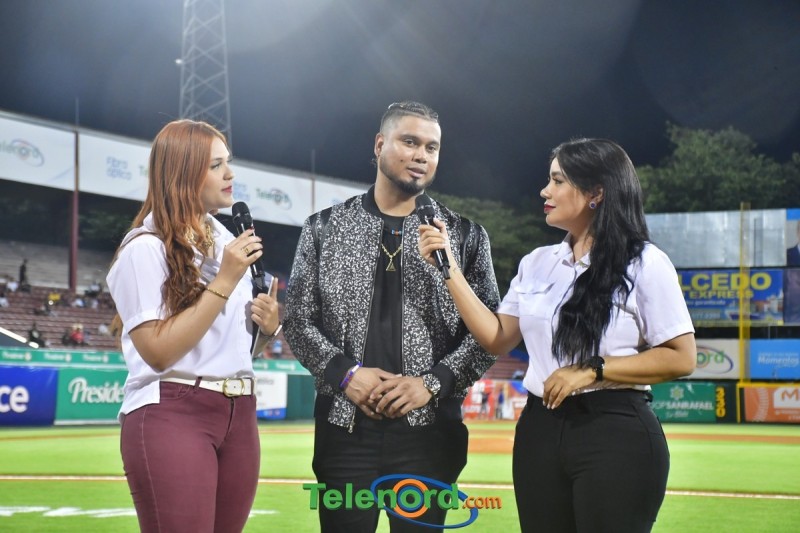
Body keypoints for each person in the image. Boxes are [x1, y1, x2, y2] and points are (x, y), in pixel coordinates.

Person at [419, 138, 697, 533]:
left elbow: (681, 356)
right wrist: (449, 268)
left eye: (557, 181)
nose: (544, 191)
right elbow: (497, 338)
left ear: (596, 193)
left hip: (614, 430)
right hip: (539, 429)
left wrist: (591, 369)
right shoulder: (536, 262)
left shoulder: (645, 263)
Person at [283, 101, 500, 532]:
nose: (421, 155)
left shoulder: (465, 235)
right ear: (380, 144)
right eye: (410, 142)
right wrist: (346, 375)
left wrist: (431, 383)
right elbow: (298, 320)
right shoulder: (324, 227)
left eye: (432, 147)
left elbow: (490, 333)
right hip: (344, 431)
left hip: (430, 435)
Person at [106, 119, 281, 533]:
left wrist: (268, 329)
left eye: (228, 162)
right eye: (216, 165)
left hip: (240, 411)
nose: (230, 173)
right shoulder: (145, 248)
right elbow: (159, 352)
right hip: (172, 408)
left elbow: (226, 350)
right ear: (183, 174)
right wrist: (225, 281)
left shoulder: (227, 244)